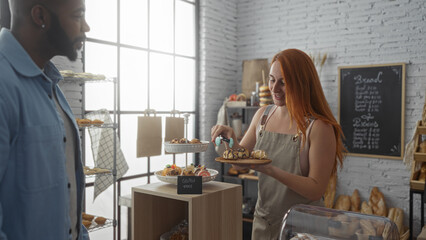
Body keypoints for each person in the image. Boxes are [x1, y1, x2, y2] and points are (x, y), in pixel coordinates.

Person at [211, 49, 345, 239]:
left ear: (302, 84)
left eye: (284, 82)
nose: (274, 88)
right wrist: (230, 139)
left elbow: (316, 188)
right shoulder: (263, 115)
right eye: (272, 80)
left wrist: (270, 170)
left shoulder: (319, 127)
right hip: (265, 223)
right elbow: (239, 163)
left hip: (303, 230)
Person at [0, 0, 90, 239]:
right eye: (78, 15)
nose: (86, 27)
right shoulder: (4, 84)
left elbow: (66, 192)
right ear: (40, 16)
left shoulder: (51, 84)